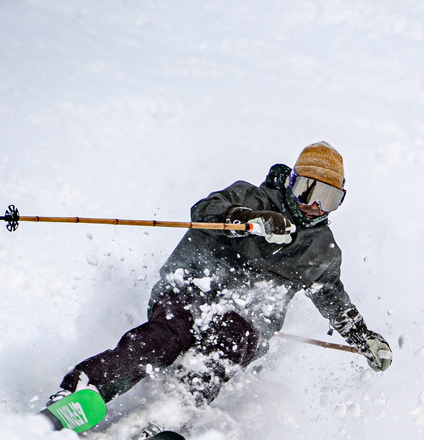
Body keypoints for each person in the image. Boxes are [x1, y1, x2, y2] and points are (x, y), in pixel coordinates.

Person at [47, 141, 392, 424]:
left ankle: (168, 414)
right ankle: (87, 387)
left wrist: (364, 338)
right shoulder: (250, 197)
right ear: (291, 183)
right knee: (168, 337)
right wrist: (247, 219)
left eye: (329, 199)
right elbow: (204, 210)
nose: (315, 206)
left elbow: (332, 296)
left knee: (230, 340)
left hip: (247, 318)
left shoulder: (322, 251)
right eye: (308, 191)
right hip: (193, 288)